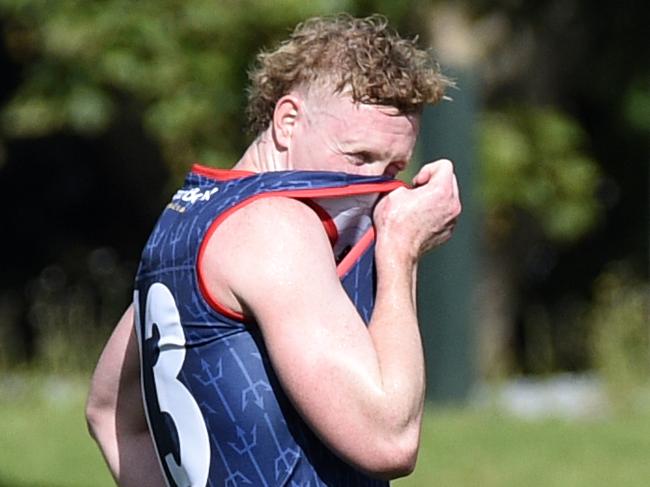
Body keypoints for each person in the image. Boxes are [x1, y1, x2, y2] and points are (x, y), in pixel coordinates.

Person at [85, 13, 460, 487]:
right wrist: (401, 248)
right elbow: (389, 441)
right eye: (358, 157)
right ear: (287, 121)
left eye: (394, 165)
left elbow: (109, 411)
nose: (376, 185)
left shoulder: (191, 216)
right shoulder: (276, 228)